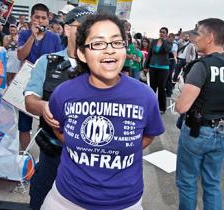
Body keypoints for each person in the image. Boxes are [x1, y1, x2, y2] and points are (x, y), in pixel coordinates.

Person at [41, 13, 165, 210]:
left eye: (117, 42)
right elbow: (59, 130)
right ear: (82, 53)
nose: (109, 50)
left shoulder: (145, 96)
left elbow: (148, 135)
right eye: (98, 44)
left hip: (124, 203)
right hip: (65, 201)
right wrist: (84, 145)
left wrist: (117, 147)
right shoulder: (64, 93)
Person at [24, 7, 93, 210]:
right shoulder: (47, 62)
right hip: (52, 154)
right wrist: (45, 106)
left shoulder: (100, 65)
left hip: (87, 160)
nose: (85, 32)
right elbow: (30, 100)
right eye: (80, 27)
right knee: (39, 201)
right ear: (66, 29)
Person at [175, 18, 224, 210]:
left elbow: (181, 107)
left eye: (198, 33)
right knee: (212, 183)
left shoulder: (202, 66)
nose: (195, 37)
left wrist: (183, 90)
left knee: (187, 183)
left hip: (198, 132)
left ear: (210, 37)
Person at [17, 3, 61, 150]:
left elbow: (59, 60)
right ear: (31, 18)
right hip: (27, 83)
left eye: (43, 18)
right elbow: (21, 55)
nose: (40, 21)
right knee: (24, 123)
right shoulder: (24, 34)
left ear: (48, 20)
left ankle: (39, 156)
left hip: (47, 84)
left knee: (46, 121)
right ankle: (23, 155)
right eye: (37, 17)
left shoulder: (54, 38)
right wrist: (32, 36)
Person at [144, 27, 171, 114]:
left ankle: (162, 108)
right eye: (160, 32)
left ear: (166, 34)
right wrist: (146, 65)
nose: (161, 33)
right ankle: (150, 106)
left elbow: (167, 50)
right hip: (153, 66)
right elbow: (150, 54)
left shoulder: (168, 42)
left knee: (161, 88)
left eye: (163, 32)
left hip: (163, 68)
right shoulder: (154, 41)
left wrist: (164, 41)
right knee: (152, 87)